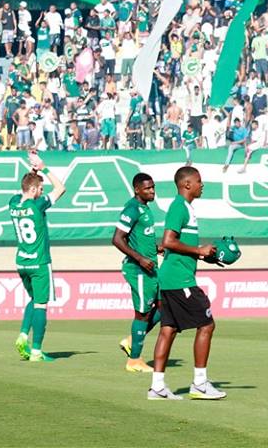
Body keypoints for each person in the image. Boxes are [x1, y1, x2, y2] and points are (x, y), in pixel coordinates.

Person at [148, 166, 225, 400]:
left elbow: (173, 246)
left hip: (172, 278)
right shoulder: (179, 207)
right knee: (207, 324)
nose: (202, 185)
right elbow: (168, 241)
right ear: (187, 184)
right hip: (179, 279)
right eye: (199, 181)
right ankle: (200, 384)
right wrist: (198, 249)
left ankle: (157, 387)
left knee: (167, 331)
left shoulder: (185, 208)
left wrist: (205, 255)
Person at [10, 150, 67, 362]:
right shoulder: (38, 204)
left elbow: (24, 187)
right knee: (41, 305)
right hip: (39, 262)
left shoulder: (13, 203)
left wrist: (31, 173)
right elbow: (61, 188)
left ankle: (23, 334)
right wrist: (43, 167)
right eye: (40, 189)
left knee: (34, 299)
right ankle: (36, 351)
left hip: (21, 261)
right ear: (34, 189)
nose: (42, 192)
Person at [112, 173, 161, 373]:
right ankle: (134, 360)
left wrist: (155, 248)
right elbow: (117, 239)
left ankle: (133, 340)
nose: (152, 191)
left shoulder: (145, 209)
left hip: (150, 267)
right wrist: (140, 258)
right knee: (142, 314)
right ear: (137, 190)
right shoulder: (132, 209)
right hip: (138, 269)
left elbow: (139, 237)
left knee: (164, 306)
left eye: (153, 187)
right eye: (147, 188)